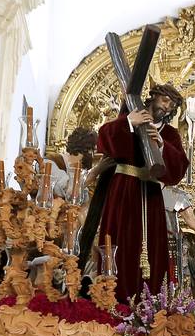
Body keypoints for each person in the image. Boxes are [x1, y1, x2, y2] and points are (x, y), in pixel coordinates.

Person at [81, 84, 189, 300]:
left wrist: (162, 146)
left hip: (150, 194)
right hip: (123, 189)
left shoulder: (169, 134)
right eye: (165, 101)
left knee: (152, 246)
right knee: (118, 239)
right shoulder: (131, 115)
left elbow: (179, 169)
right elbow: (105, 138)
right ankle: (112, 295)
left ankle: (148, 302)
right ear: (154, 97)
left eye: (172, 106)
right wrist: (130, 122)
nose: (167, 108)